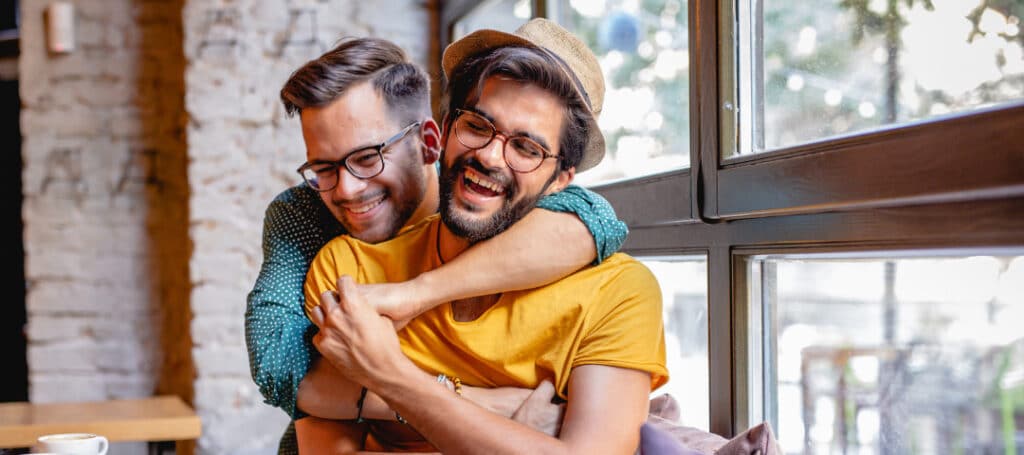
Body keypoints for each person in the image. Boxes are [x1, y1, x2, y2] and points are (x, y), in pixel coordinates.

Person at [245, 36, 629, 453]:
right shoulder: (314, 230)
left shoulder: (515, 208)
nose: (348, 189)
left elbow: (598, 220)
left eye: (368, 158)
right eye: (323, 167)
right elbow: (279, 364)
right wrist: (479, 404)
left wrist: (412, 297)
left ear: (430, 140)